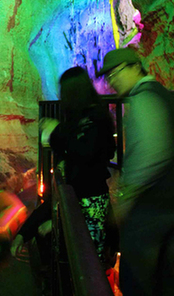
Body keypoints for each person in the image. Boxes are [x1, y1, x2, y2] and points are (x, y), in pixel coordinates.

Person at [11, 67, 115, 259]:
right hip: (84, 202)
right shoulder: (88, 120)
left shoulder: (94, 121)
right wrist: (24, 233)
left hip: (89, 204)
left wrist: (56, 130)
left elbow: (85, 154)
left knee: (87, 260)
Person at [98, 47, 174, 296]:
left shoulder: (143, 99)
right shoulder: (166, 95)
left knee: (138, 285)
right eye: (108, 77)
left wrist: (123, 200)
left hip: (149, 215)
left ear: (134, 66)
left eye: (117, 72)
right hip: (166, 212)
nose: (113, 81)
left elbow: (150, 154)